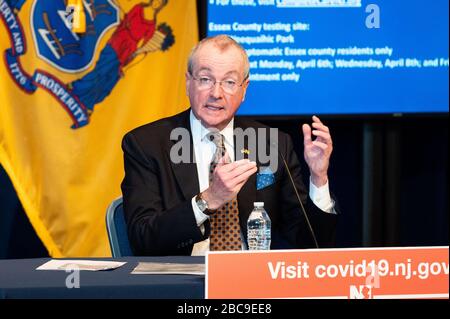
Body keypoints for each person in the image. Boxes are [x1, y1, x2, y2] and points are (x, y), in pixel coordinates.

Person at [121, 35, 337, 256]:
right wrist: (209, 200)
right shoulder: (147, 144)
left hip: (252, 282)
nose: (216, 93)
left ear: (244, 90)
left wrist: (319, 178)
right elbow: (142, 238)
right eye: (205, 79)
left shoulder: (271, 143)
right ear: (188, 83)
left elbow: (310, 242)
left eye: (230, 82)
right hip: (184, 283)